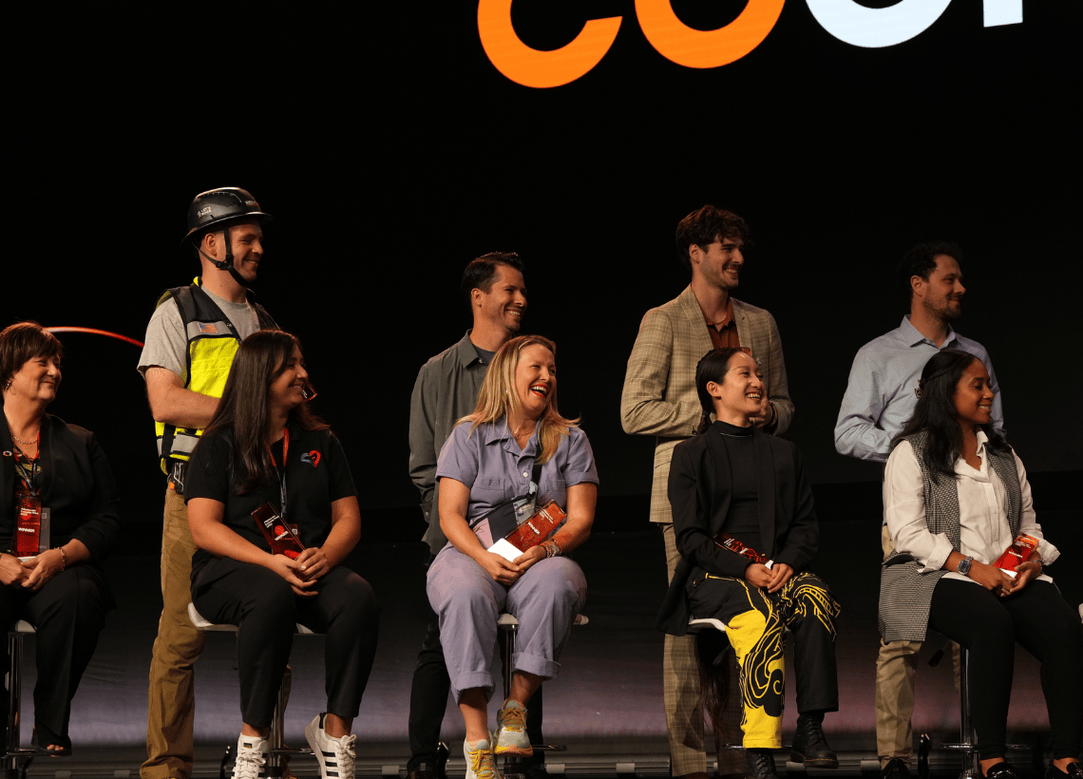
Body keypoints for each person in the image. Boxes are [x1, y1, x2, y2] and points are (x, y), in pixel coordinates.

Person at [621, 205, 793, 779]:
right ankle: (692, 763)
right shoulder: (663, 321)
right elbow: (635, 411)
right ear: (697, 253)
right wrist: (715, 416)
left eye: (741, 248)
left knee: (755, 616)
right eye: (726, 248)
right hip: (689, 499)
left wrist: (762, 412)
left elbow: (785, 407)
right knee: (691, 633)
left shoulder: (760, 323)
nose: (738, 258)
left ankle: (746, 751)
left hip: (755, 501)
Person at [834, 242, 1003, 779]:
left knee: (977, 635)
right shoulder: (878, 354)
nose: (960, 289)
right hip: (910, 513)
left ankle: (985, 749)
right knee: (901, 638)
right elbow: (847, 432)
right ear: (918, 284)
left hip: (971, 516)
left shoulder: (974, 351)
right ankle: (895, 758)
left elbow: (996, 433)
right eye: (949, 279)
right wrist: (916, 444)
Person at [186, 329, 379, 779]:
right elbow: (203, 528)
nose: (303, 373)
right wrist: (270, 561)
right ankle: (253, 743)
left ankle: (334, 734)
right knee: (270, 593)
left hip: (306, 565)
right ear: (260, 376)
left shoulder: (320, 442)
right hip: (232, 569)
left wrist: (325, 557)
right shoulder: (219, 443)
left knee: (357, 598)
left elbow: (348, 518)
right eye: (291, 365)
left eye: (301, 362)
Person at [880, 349, 1081, 779]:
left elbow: (1029, 526)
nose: (989, 393)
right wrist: (971, 567)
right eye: (978, 385)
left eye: (989, 384)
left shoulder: (1005, 457)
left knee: (1064, 627)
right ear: (945, 393)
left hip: (1007, 575)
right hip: (935, 575)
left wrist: (1029, 561)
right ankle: (992, 758)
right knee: (992, 623)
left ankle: (1066, 755)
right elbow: (908, 533)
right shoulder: (911, 453)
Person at [138, 187, 278, 779]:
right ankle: (167, 769)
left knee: (274, 623)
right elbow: (164, 398)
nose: (258, 247)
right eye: (246, 237)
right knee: (179, 639)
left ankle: (266, 756)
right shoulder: (175, 310)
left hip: (259, 501)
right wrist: (243, 408)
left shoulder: (267, 322)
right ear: (211, 243)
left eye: (258, 236)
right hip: (193, 497)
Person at [657, 348, 839, 779]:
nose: (758, 382)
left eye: (759, 373)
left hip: (777, 570)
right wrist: (745, 569)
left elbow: (805, 526)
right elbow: (691, 539)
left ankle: (810, 728)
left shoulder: (783, 453)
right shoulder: (690, 454)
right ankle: (760, 749)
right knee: (758, 616)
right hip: (716, 575)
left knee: (816, 599)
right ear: (714, 389)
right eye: (746, 374)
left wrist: (788, 565)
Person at [427, 335, 597, 779]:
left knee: (560, 582)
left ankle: (515, 711)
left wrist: (545, 547)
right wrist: (483, 560)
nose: (547, 377)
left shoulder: (572, 440)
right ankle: (477, 741)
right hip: (471, 553)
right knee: (462, 594)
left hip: (540, 558)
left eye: (552, 370)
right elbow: (449, 515)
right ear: (507, 374)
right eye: (536, 368)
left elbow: (579, 520)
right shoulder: (468, 434)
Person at [407, 253, 547, 779]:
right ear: (479, 297)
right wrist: (458, 525)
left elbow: (549, 447)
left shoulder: (535, 367)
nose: (520, 300)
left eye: (523, 292)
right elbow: (424, 466)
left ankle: (523, 746)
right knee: (443, 632)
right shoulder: (438, 373)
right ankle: (424, 755)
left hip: (526, 530)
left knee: (531, 625)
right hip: (455, 531)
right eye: (510, 290)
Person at [0, 322, 121, 755]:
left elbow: (107, 519)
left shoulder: (79, 441)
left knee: (81, 594)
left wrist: (61, 557)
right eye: (42, 363)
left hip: (56, 563)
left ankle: (50, 723)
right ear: (10, 373)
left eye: (57, 363)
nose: (54, 370)